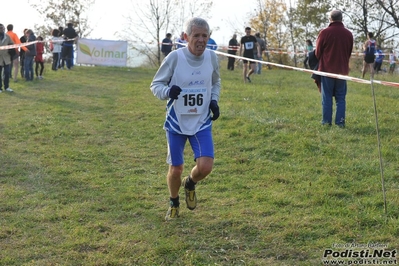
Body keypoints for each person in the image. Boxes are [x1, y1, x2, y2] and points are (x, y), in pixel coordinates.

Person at [150, 17, 221, 221]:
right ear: (186, 37)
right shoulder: (175, 58)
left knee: (206, 166)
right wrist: (167, 92)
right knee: (176, 169)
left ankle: (190, 183)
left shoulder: (211, 58)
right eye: (196, 35)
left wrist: (214, 101)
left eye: (204, 36)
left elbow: (216, 82)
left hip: (201, 121)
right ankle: (174, 202)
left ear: (209, 37)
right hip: (176, 121)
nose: (200, 40)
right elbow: (155, 85)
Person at [315, 10, 353, 128]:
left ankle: (326, 122)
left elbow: (317, 53)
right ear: (341, 19)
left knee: (327, 97)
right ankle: (340, 122)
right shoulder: (349, 34)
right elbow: (349, 52)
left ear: (330, 19)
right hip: (342, 70)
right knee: (341, 98)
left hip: (327, 70)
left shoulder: (324, 33)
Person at [0, 23, 14, 93]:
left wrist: (11, 51)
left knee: (7, 72)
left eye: (2, 28)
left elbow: (12, 44)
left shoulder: (7, 36)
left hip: (6, 57)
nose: (1, 29)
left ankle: (7, 87)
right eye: (0, 28)